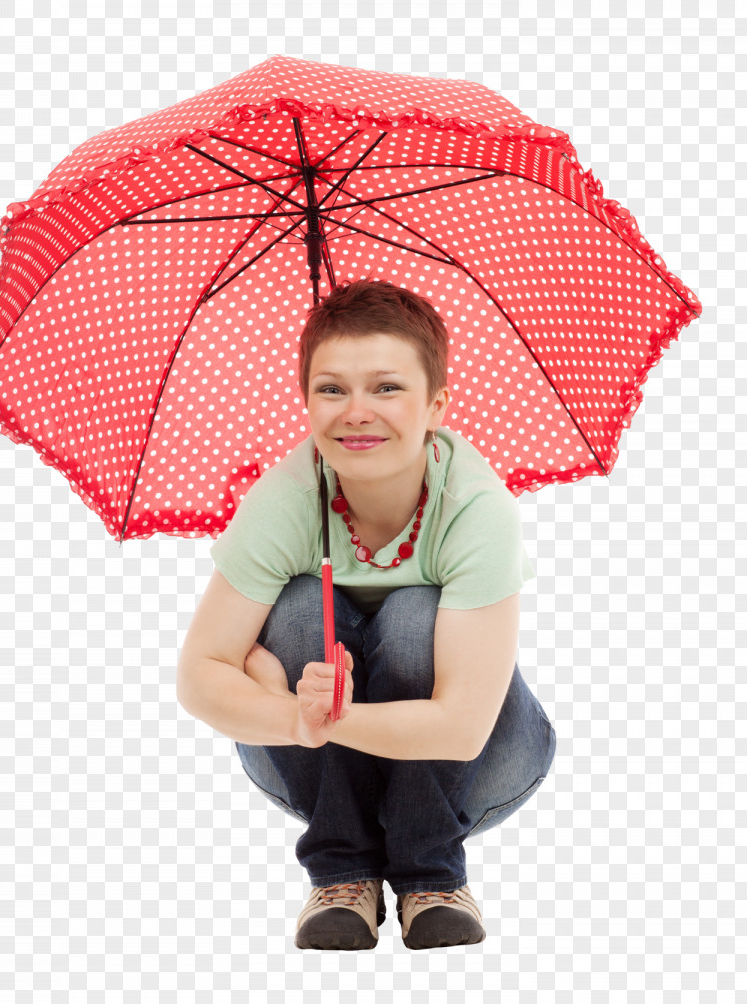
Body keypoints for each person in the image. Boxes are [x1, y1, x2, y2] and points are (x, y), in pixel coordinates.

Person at [176, 279, 556, 952]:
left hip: (482, 763)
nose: (356, 412)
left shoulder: (477, 507)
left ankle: (429, 873)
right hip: (319, 772)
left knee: (413, 615)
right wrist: (292, 717)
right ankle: (343, 870)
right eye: (331, 389)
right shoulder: (287, 498)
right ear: (306, 400)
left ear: (436, 405)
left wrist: (329, 718)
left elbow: (464, 729)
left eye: (386, 388)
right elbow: (199, 676)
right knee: (296, 616)